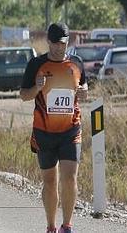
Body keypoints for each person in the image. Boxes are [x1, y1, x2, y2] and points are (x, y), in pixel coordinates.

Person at [19, 23, 87, 233]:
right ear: (48, 42)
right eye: (56, 43)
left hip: (70, 130)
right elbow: (24, 95)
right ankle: (51, 226)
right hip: (44, 132)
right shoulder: (36, 64)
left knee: (69, 178)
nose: (60, 48)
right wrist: (37, 87)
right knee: (50, 181)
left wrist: (84, 91)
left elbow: (83, 87)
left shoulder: (76, 62)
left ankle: (67, 226)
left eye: (63, 43)